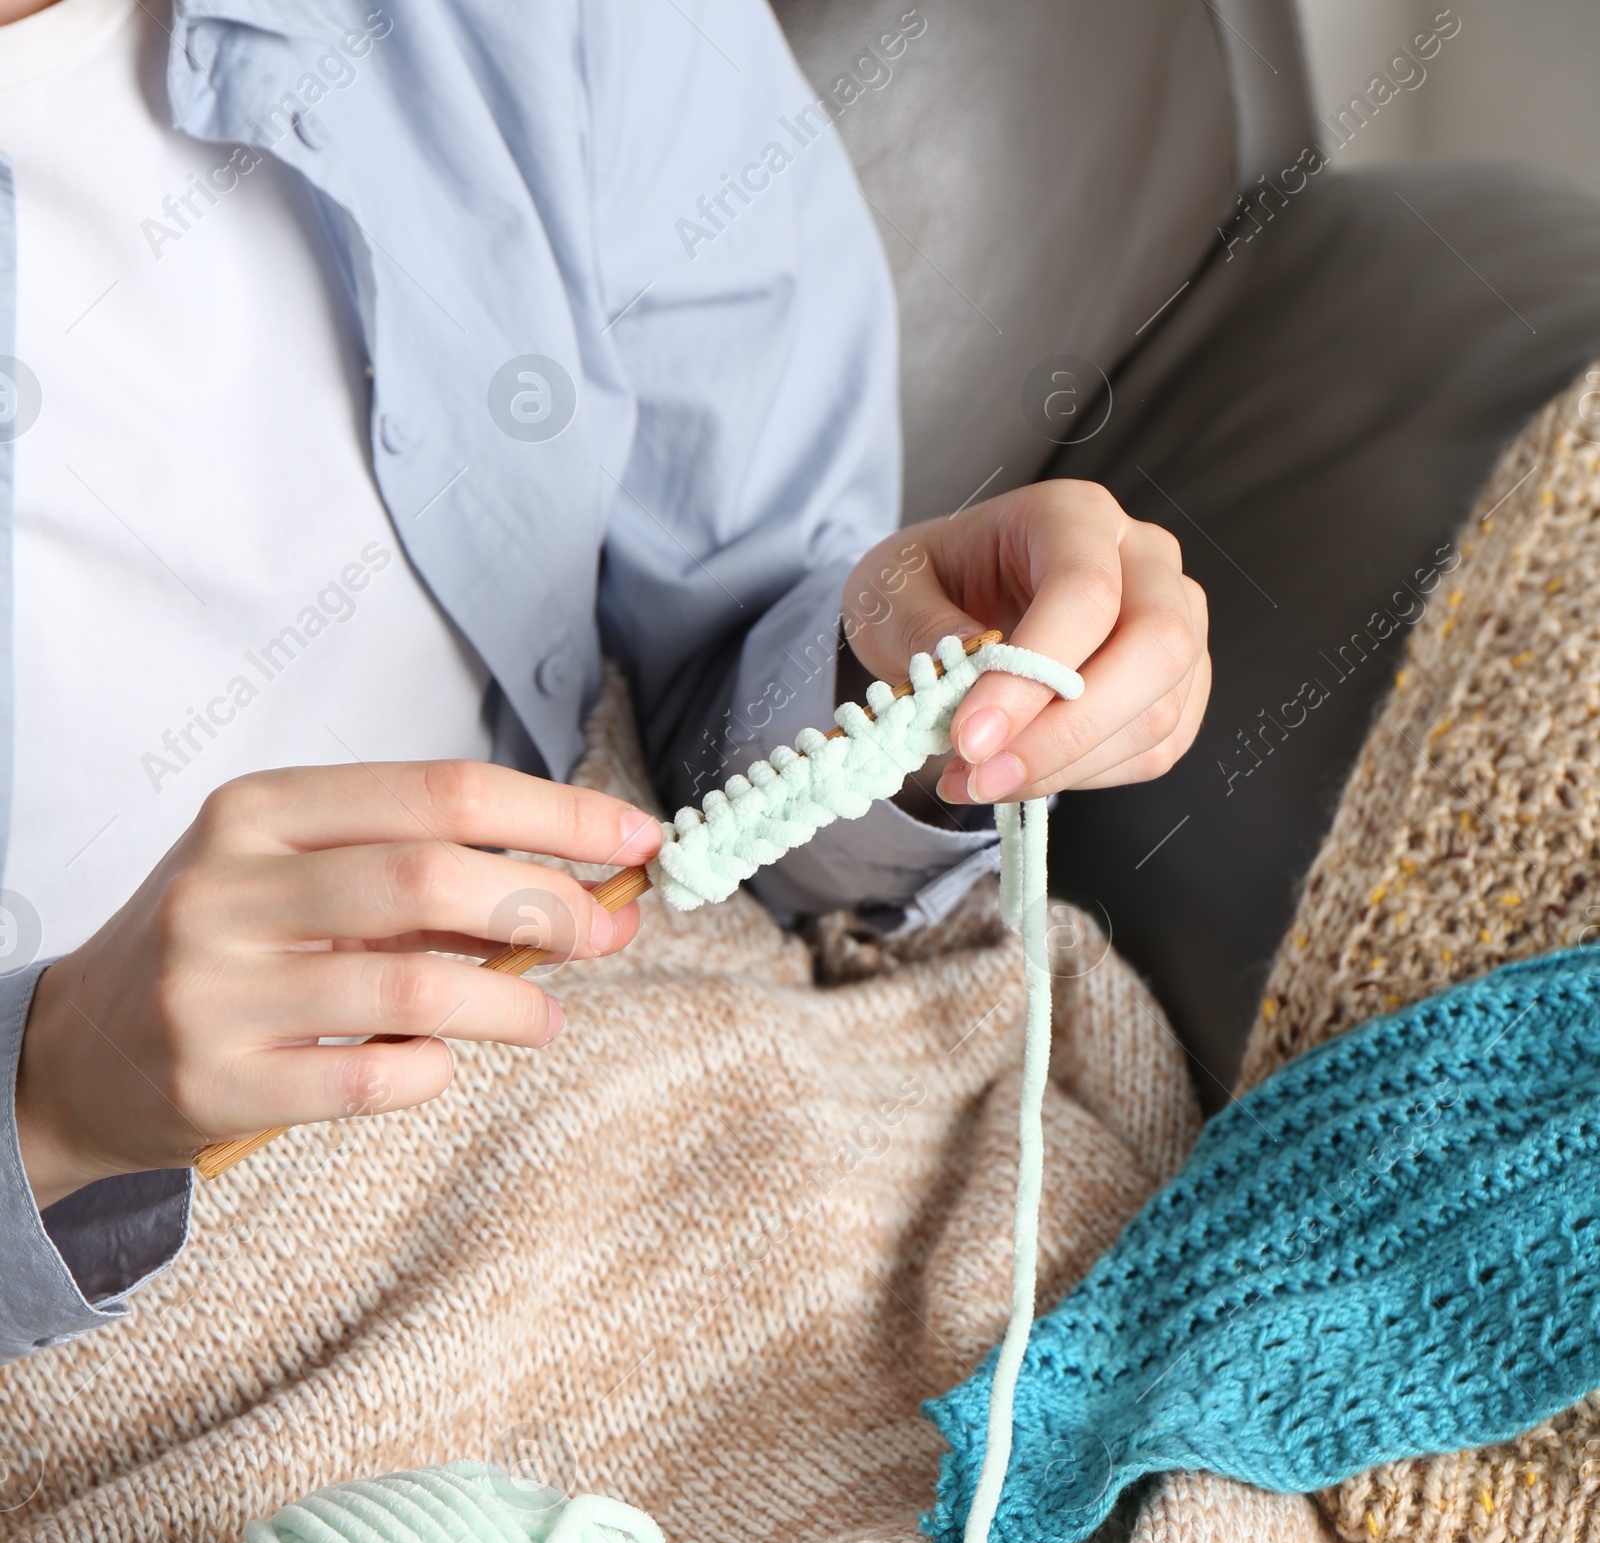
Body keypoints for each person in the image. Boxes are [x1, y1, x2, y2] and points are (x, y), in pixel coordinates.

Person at [0, 0, 1210, 1363]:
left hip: (667, 1089)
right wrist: (48, 1095)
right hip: (127, 1349)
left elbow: (738, 700)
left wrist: (907, 682)